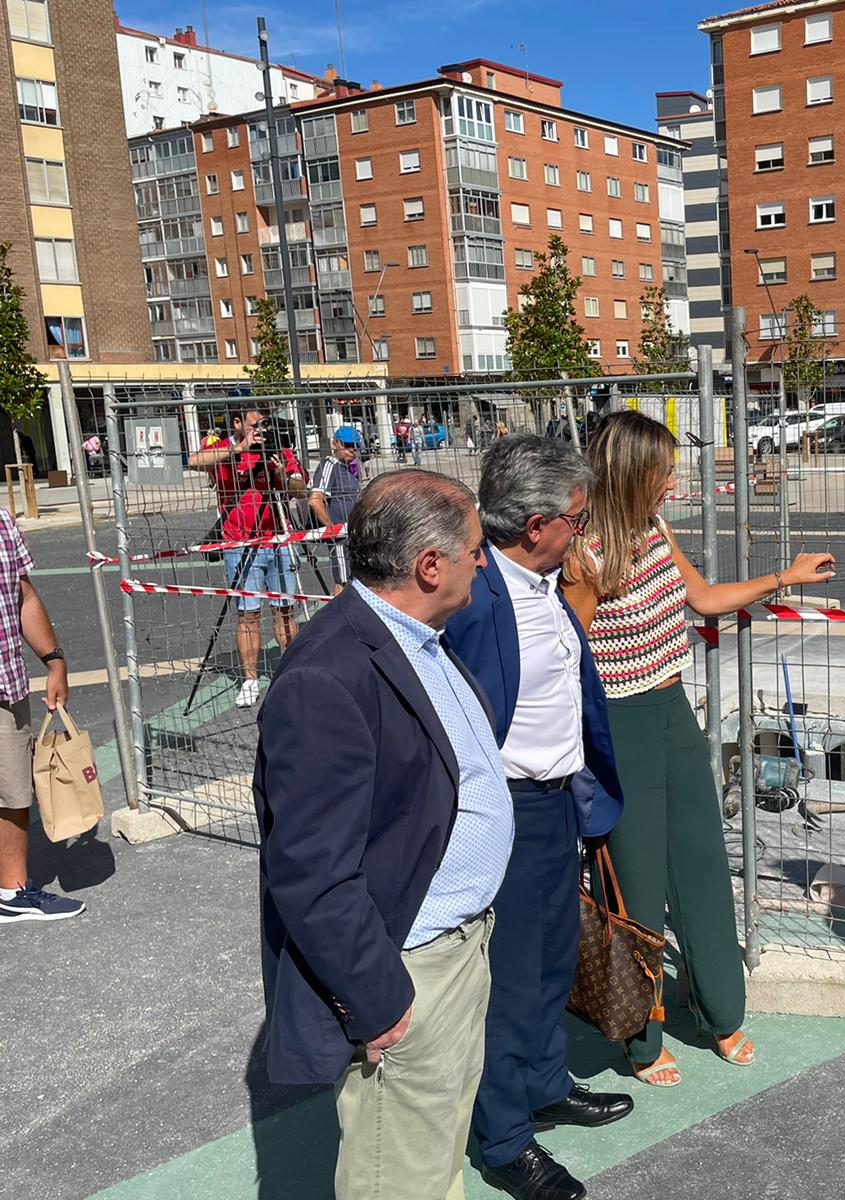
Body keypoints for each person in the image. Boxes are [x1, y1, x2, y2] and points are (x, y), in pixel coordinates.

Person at [254, 470, 513, 1200]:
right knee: (399, 1179)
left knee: (434, 1162)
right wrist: (380, 999)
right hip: (409, 970)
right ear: (429, 566)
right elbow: (310, 872)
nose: (484, 563)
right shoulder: (328, 675)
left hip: (457, 948)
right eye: (475, 551)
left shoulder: (417, 636)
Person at [562, 411, 834, 1087]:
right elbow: (567, 655)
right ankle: (638, 1035)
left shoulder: (654, 528)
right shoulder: (586, 553)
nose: (673, 480)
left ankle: (718, 1008)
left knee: (704, 865)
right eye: (664, 470)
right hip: (617, 728)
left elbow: (705, 597)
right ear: (632, 473)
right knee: (635, 887)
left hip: (673, 714)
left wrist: (784, 578)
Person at [446, 436, 631, 1200]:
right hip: (509, 812)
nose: (582, 534)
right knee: (511, 976)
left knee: (554, 959)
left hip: (559, 805)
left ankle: (545, 1082)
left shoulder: (546, 582)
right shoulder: (477, 597)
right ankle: (504, 1138)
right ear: (534, 523)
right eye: (576, 522)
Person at [188, 409, 305, 709]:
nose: (260, 431)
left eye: (264, 425)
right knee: (248, 613)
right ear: (238, 424)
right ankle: (250, 679)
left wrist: (280, 473)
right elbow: (193, 461)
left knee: (285, 610)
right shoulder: (228, 448)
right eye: (255, 426)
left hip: (277, 537)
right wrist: (239, 449)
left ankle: (290, 669)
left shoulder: (277, 446)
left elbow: (299, 489)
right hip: (239, 541)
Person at [0, 509, 81, 923]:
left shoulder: (0, 520)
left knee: (13, 789)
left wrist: (54, 661)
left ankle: (12, 892)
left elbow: (23, 595)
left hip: (3, 681)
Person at [308, 427, 364, 596]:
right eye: (348, 445)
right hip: (340, 538)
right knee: (343, 583)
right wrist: (332, 529)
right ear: (336, 443)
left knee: (354, 582)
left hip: (352, 537)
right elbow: (315, 500)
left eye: (356, 446)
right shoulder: (330, 464)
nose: (352, 450)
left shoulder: (346, 468)